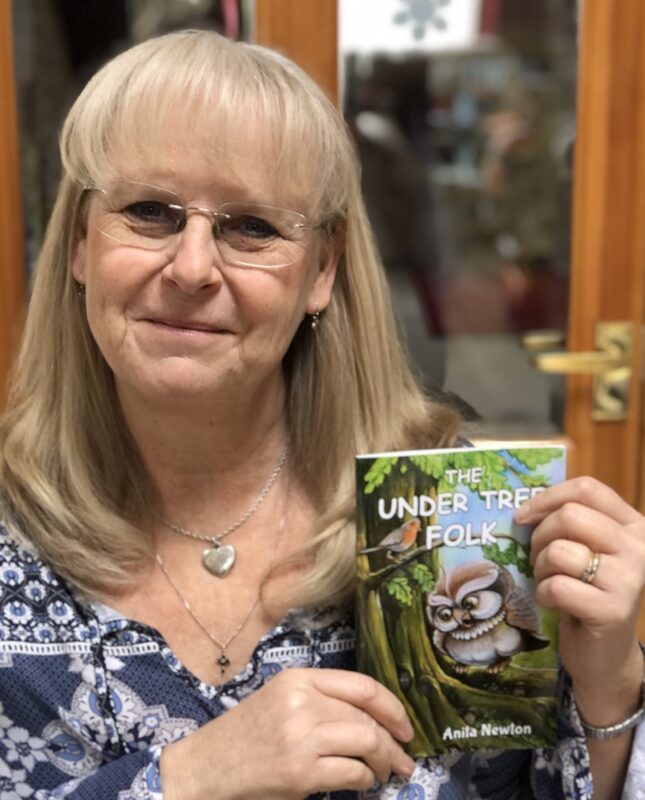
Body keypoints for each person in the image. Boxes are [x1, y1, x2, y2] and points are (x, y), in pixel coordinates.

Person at [0, 28, 643, 799]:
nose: (194, 267)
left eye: (251, 227)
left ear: (322, 269)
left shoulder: (443, 516)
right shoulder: (14, 535)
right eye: (149, 212)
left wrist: (608, 683)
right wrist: (186, 782)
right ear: (78, 244)